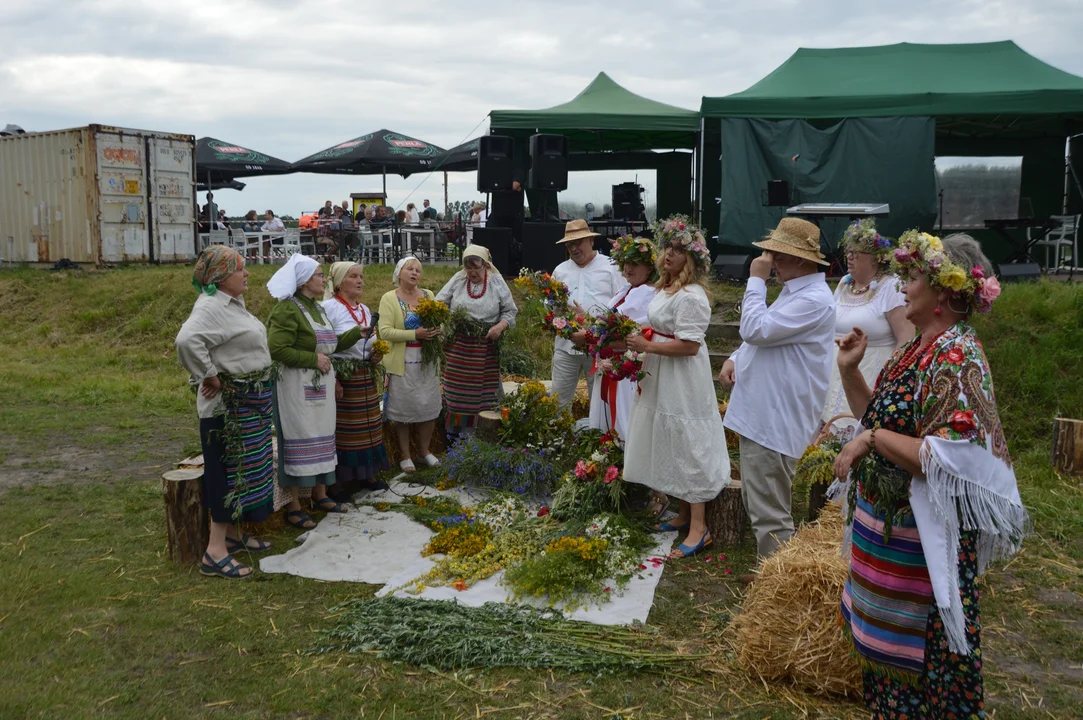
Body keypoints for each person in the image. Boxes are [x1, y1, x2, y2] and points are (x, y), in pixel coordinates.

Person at [832, 231, 1024, 719]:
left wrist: (871, 441)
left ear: (943, 292)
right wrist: (851, 372)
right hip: (893, 539)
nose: (902, 287)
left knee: (926, 682)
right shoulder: (917, 348)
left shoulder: (956, 355)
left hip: (924, 542)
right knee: (888, 682)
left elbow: (949, 456)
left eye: (913, 277)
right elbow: (878, 417)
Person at [719, 217, 835, 559]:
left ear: (802, 260)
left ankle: (776, 592)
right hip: (763, 414)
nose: (772, 265)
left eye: (778, 257)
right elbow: (766, 337)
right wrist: (737, 358)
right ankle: (773, 586)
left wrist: (755, 279)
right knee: (762, 506)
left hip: (774, 420)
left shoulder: (814, 299)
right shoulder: (797, 293)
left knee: (770, 514)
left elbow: (756, 329)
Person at [624, 218, 730, 558]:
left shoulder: (692, 297)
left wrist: (647, 346)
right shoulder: (666, 288)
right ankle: (683, 514)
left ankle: (700, 527)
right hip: (661, 373)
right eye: (668, 247)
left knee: (688, 443)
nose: (669, 254)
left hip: (683, 378)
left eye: (679, 250)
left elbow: (690, 346)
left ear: (692, 260)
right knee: (669, 437)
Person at [175, 246, 274, 579]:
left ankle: (231, 535)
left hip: (246, 403)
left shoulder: (232, 304)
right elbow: (187, 341)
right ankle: (214, 552)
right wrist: (210, 374)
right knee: (226, 473)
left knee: (241, 469)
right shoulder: (210, 306)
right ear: (220, 276)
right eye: (240, 269)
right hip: (225, 410)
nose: (247, 274)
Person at [266, 255, 363, 530]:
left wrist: (357, 333)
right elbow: (276, 349)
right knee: (301, 436)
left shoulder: (317, 309)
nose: (324, 279)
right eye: (320, 274)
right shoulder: (287, 309)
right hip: (296, 385)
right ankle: (294, 506)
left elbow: (329, 345)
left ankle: (320, 494)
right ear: (306, 280)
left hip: (320, 384)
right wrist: (312, 360)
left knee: (322, 435)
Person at [822, 220, 913, 426]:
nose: (850, 257)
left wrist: (888, 383)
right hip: (836, 374)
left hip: (872, 375)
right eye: (848, 252)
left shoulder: (891, 287)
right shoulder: (844, 284)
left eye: (857, 253)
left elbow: (905, 340)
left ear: (876, 258)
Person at [322, 262, 391, 495]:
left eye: (361, 276)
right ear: (340, 282)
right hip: (343, 375)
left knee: (369, 426)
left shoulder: (364, 309)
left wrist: (376, 355)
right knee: (345, 430)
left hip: (364, 375)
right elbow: (324, 347)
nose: (360, 280)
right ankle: (339, 480)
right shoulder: (328, 308)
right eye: (353, 276)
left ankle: (367, 474)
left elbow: (370, 344)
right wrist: (335, 380)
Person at [436, 245, 518, 435]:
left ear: (486, 265)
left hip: (485, 346)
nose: (472, 272)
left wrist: (499, 327)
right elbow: (440, 302)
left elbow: (510, 311)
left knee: (486, 392)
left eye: (476, 267)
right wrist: (446, 325)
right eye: (468, 267)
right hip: (458, 346)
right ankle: (455, 435)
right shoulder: (458, 279)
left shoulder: (496, 282)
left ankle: (485, 433)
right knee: (457, 391)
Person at [585, 234, 658, 442]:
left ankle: (624, 454)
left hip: (627, 364)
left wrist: (594, 336)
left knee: (625, 412)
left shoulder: (648, 292)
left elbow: (638, 329)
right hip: (612, 361)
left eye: (634, 264)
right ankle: (608, 452)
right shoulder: (626, 289)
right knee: (608, 412)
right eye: (625, 263)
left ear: (650, 267)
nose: (628, 269)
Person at [552, 219, 628, 410]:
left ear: (591, 241)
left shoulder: (611, 267)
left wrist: (594, 326)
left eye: (578, 242)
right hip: (566, 346)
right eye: (570, 244)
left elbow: (623, 306)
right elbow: (550, 308)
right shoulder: (560, 270)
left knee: (600, 401)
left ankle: (599, 438)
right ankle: (558, 438)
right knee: (558, 399)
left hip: (600, 346)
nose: (574, 248)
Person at [378, 256, 443, 472]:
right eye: (410, 269)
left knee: (428, 405)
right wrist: (415, 333)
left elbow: (437, 321)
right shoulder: (389, 298)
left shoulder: (428, 295)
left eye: (418, 270)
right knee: (403, 409)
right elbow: (384, 331)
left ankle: (424, 451)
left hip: (426, 361)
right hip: (402, 362)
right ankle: (405, 455)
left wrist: (437, 331)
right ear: (399, 273)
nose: (415, 273)